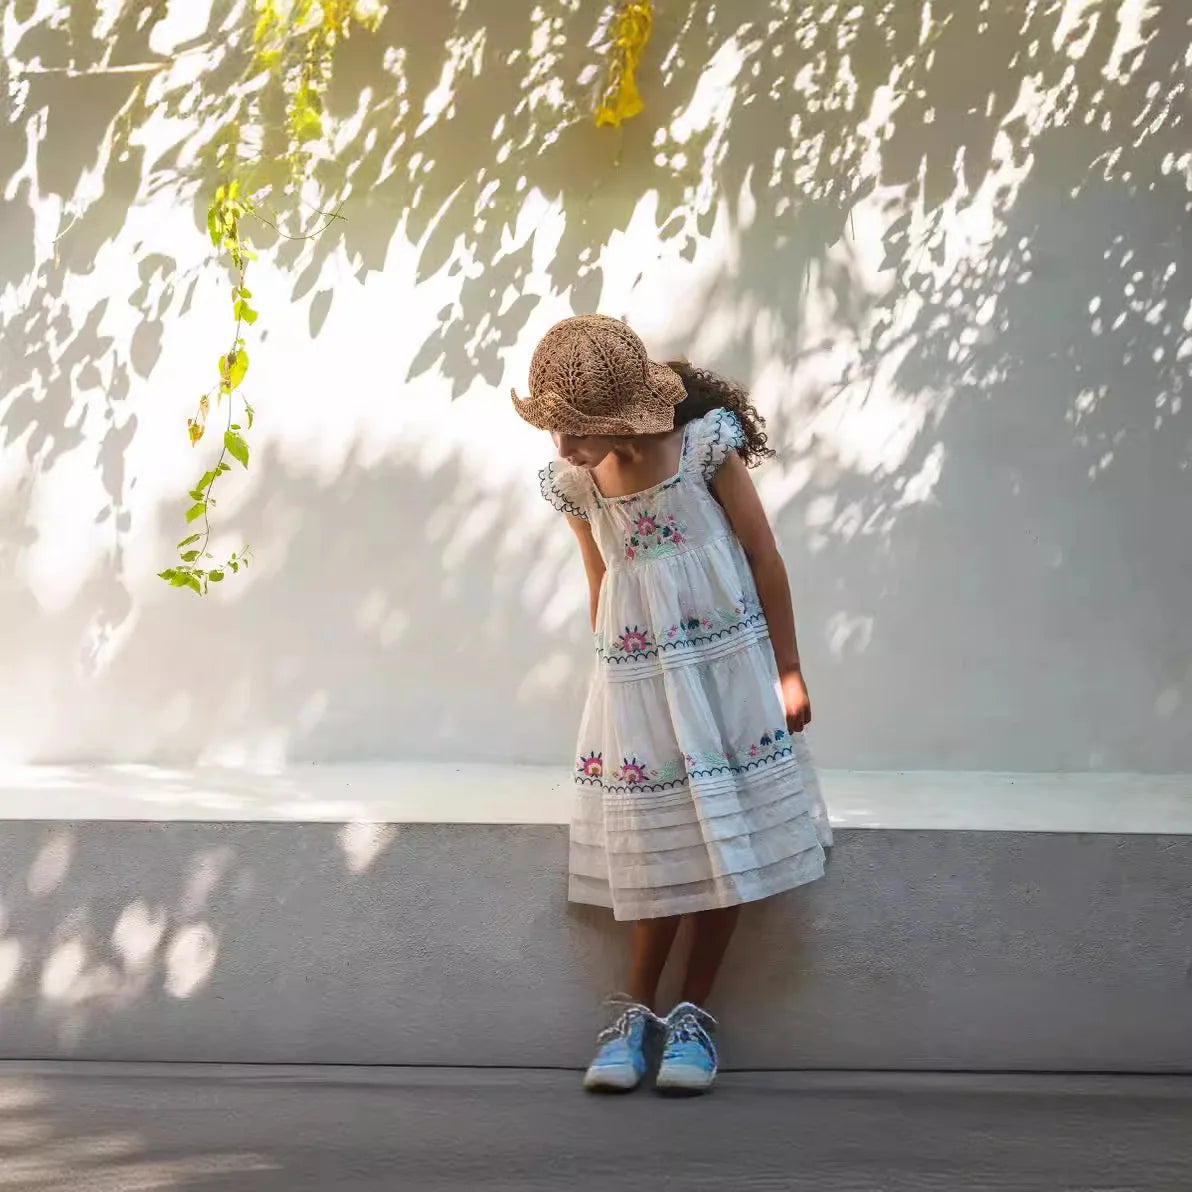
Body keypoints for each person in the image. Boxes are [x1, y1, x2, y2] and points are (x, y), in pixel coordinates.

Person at [512, 314, 832, 1095]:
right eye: (554, 428)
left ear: (626, 416)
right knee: (656, 848)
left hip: (729, 671)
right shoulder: (576, 485)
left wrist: (789, 671)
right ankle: (633, 1011)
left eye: (575, 430)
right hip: (641, 680)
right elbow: (602, 581)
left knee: (729, 838)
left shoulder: (703, 452)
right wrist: (612, 682)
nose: (560, 446)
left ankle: (693, 1015)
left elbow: (763, 556)